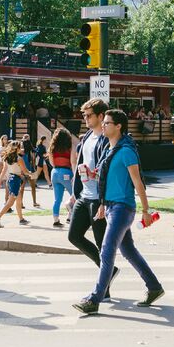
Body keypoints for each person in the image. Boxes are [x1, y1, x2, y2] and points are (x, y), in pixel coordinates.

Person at [72, 109, 164, 315]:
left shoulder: (127, 151)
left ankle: (95, 299)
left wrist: (146, 210)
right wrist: (93, 178)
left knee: (106, 251)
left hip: (123, 207)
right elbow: (106, 179)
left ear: (118, 126)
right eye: (103, 122)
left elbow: (138, 182)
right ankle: (154, 287)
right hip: (112, 206)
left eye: (107, 123)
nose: (103, 126)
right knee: (128, 250)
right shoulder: (110, 150)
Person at [67, 99, 116, 295]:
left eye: (88, 115)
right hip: (84, 195)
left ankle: (104, 288)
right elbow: (81, 162)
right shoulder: (87, 136)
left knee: (101, 244)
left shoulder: (107, 140)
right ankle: (109, 272)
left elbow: (108, 168)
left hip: (98, 199)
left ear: (101, 116)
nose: (85, 119)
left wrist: (103, 200)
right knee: (74, 236)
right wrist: (74, 192)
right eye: (84, 115)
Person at [48, 128, 74, 228]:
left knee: (57, 199)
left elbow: (51, 162)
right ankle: (70, 215)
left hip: (54, 172)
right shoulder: (69, 147)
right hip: (66, 171)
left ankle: (56, 219)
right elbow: (72, 162)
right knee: (75, 195)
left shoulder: (52, 148)